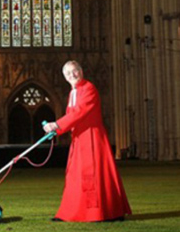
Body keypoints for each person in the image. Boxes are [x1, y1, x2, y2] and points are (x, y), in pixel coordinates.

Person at [43, 60, 132, 222]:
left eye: (74, 71)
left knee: (95, 175)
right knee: (75, 176)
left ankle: (102, 212)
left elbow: (80, 112)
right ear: (65, 77)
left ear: (81, 71)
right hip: (79, 138)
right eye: (68, 74)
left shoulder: (89, 88)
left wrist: (57, 124)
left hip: (91, 137)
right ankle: (69, 212)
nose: (72, 75)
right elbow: (73, 116)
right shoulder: (73, 93)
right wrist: (57, 129)